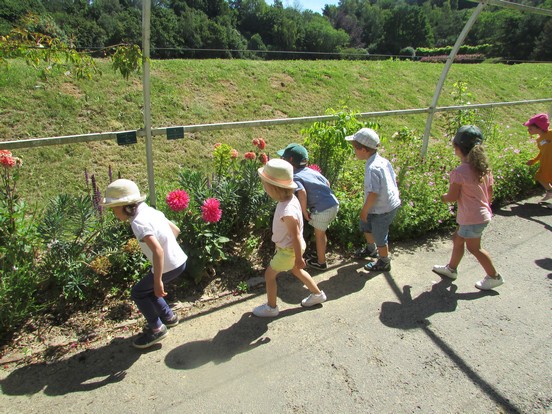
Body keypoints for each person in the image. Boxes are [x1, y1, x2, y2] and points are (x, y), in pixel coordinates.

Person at [102, 179, 187, 348]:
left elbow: (158, 251)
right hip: (180, 261)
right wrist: (169, 251)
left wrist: (158, 280)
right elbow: (175, 230)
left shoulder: (138, 223)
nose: (113, 213)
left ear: (125, 206)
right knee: (148, 291)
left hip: (168, 266)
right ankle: (169, 317)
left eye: (114, 209)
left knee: (139, 292)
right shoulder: (151, 211)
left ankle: (157, 329)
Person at [432, 125, 504, 290]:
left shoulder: (460, 172)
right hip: (478, 214)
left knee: (474, 248)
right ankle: (451, 269)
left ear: (456, 148)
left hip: (472, 217)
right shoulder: (484, 168)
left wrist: (441, 197)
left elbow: (451, 197)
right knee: (457, 239)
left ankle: (494, 277)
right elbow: (490, 192)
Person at [252, 159, 327, 317]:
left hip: (289, 250)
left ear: (274, 188)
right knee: (296, 270)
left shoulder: (288, 212)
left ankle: (271, 308)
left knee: (269, 275)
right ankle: (317, 294)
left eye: (265, 185)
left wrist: (299, 258)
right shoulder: (290, 199)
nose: (264, 188)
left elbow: (296, 236)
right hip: (291, 249)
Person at [346, 128, 401, 272]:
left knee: (379, 234)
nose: (354, 152)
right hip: (383, 204)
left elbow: (373, 193)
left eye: (355, 149)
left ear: (363, 149)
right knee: (365, 225)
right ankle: (371, 249)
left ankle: (384, 261)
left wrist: (364, 210)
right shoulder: (381, 161)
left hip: (383, 209)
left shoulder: (372, 168)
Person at [277, 143, 339, 270]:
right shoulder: (310, 171)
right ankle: (321, 254)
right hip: (333, 204)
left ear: (290, 161)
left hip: (323, 210)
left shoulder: (295, 176)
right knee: (321, 233)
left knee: (319, 235)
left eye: (283, 158)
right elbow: (327, 182)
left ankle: (321, 263)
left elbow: (302, 192)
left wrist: (304, 211)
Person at [524, 113, 552, 204]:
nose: (528, 130)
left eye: (530, 128)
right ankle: (550, 191)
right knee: (540, 177)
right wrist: (534, 160)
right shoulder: (539, 140)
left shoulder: (551, 133)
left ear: (539, 128)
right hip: (546, 162)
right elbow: (542, 152)